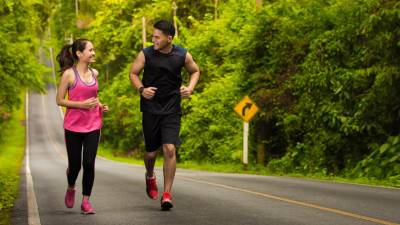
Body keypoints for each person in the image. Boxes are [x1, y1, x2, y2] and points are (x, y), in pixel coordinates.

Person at [129, 20, 200, 210]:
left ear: (169, 38)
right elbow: (133, 74)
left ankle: (167, 194)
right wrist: (141, 89)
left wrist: (190, 88)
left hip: (172, 109)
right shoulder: (146, 54)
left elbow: (195, 71)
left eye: (157, 37)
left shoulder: (182, 55)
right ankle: (150, 175)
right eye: (152, 36)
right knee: (151, 153)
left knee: (169, 149)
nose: (153, 40)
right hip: (151, 108)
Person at [56, 38, 109, 214]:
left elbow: (94, 95)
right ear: (79, 54)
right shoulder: (69, 75)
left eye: (93, 50)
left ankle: (86, 201)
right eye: (90, 50)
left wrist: (101, 106)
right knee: (75, 166)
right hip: (73, 126)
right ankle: (71, 186)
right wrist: (81, 105)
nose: (93, 53)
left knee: (89, 163)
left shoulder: (95, 73)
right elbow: (59, 100)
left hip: (93, 124)